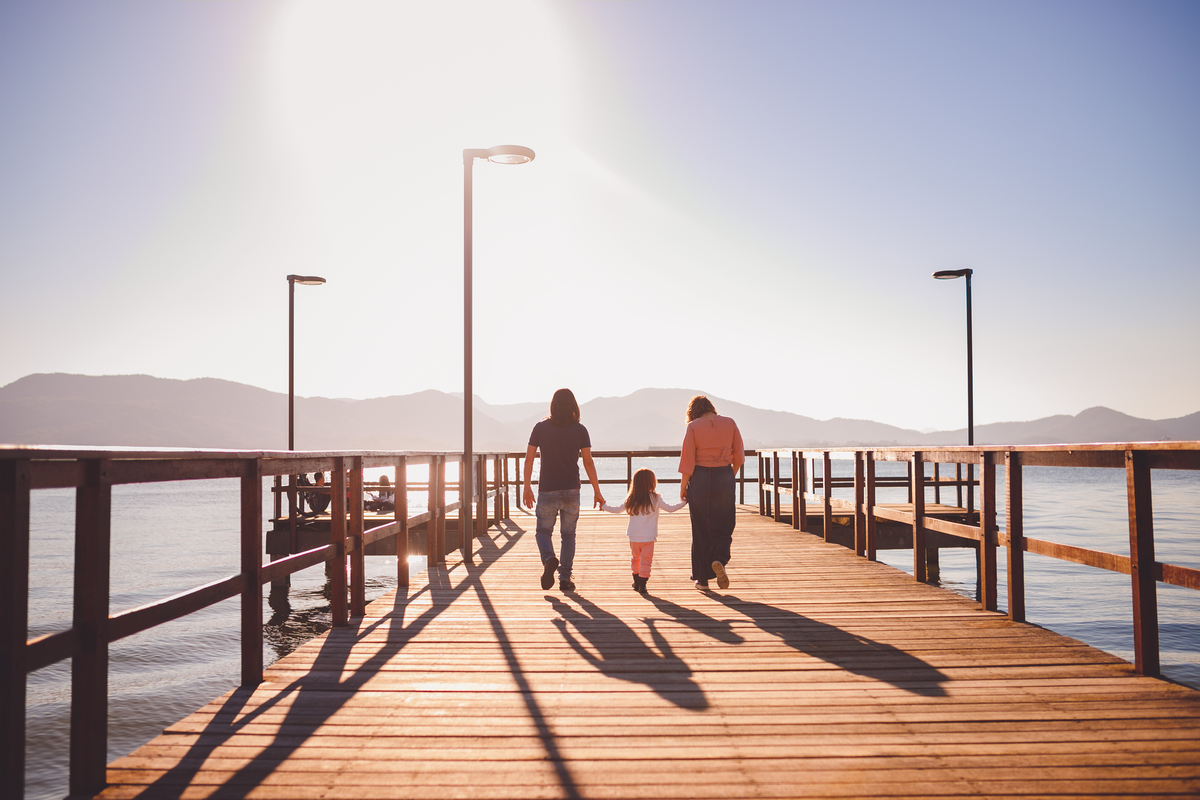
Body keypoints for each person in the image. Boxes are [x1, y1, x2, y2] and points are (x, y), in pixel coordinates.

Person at [523, 388, 605, 592]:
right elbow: (588, 462)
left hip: (547, 490)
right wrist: (597, 490)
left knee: (543, 531)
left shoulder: (540, 428)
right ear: (574, 407)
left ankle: (549, 559)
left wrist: (526, 487)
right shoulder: (580, 430)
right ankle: (565, 579)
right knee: (568, 536)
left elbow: (529, 459)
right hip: (571, 490)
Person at [679, 395, 745, 591]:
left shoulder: (693, 427)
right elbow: (739, 457)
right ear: (711, 408)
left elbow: (688, 461)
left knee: (700, 528)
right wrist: (727, 476)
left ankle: (702, 579)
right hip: (724, 476)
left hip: (699, 478)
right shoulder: (730, 423)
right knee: (724, 524)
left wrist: (683, 488)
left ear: (693, 412)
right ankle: (719, 559)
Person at [600, 468, 686, 595]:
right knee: (646, 561)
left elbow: (617, 509)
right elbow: (670, 508)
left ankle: (636, 581)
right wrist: (684, 502)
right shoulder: (656, 498)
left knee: (636, 559)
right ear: (652, 483)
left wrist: (604, 506)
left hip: (633, 536)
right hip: (648, 537)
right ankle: (643, 584)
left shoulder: (631, 498)